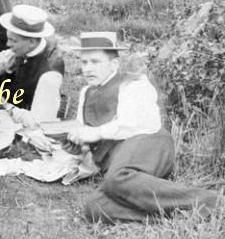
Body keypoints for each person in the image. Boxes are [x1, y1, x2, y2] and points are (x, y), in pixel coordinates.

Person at [68, 31, 220, 224]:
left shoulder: (133, 83)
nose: (88, 68)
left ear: (113, 64)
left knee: (118, 178)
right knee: (94, 207)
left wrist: (93, 134)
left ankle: (214, 202)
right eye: (84, 62)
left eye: (95, 62)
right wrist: (77, 145)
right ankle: (181, 216)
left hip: (147, 142)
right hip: (117, 159)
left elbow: (132, 125)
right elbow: (86, 133)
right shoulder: (85, 92)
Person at [0, 5, 64, 124]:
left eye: (13, 41)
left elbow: (40, 122)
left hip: (24, 117)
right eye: (8, 38)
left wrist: (5, 106)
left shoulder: (49, 73)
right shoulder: (26, 48)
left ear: (32, 42)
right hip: (9, 101)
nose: (8, 44)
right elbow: (3, 58)